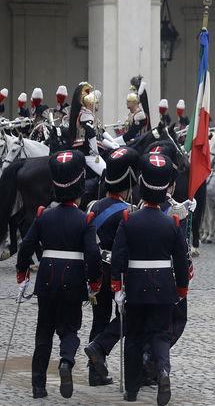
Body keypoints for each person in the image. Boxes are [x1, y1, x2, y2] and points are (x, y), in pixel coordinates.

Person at [15, 150, 102, 399]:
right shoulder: (85, 220)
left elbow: (26, 247)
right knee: (70, 329)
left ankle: (38, 385)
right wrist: (94, 280)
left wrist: (22, 273)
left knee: (43, 331)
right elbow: (93, 254)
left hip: (47, 277)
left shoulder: (44, 216)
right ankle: (66, 362)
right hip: (74, 278)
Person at [111, 151, 189, 404]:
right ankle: (163, 371)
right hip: (163, 286)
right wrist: (181, 290)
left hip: (135, 287)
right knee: (160, 335)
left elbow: (119, 257)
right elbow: (180, 259)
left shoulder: (128, 221)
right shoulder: (172, 223)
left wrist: (117, 287)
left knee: (133, 336)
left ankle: (132, 389)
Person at [84, 146, 140, 387]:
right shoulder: (128, 212)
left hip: (95, 271)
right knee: (126, 319)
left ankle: (94, 371)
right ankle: (99, 347)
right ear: (127, 185)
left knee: (99, 319)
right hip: (116, 274)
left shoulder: (93, 206)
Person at [68, 82, 106, 176]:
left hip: (86, 147)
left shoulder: (85, 113)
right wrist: (95, 151)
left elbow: (100, 132)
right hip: (87, 150)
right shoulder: (86, 114)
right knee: (106, 173)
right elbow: (90, 133)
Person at [116, 77, 151, 145]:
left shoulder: (139, 115)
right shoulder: (132, 114)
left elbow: (131, 134)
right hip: (131, 142)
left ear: (134, 102)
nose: (126, 103)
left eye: (128, 102)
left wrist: (116, 141)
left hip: (139, 144)